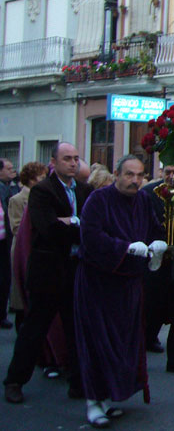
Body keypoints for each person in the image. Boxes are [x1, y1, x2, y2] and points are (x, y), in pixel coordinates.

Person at [74, 155, 166, 427]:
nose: (135, 180)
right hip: (99, 283)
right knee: (97, 342)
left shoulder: (143, 200)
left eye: (139, 175)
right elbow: (90, 237)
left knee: (123, 344)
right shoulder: (98, 200)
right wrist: (123, 247)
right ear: (117, 174)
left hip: (129, 284)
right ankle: (93, 402)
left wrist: (158, 242)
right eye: (129, 174)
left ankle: (108, 397)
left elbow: (154, 229)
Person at [4, 143, 92, 404]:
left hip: (75, 269)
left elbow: (91, 226)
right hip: (48, 271)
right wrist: (76, 224)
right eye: (67, 159)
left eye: (76, 158)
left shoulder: (85, 190)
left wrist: (70, 222)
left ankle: (78, 382)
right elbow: (48, 229)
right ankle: (15, 381)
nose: (73, 163)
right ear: (54, 162)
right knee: (35, 329)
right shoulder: (43, 191)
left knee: (76, 329)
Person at [141, 164, 174, 375]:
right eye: (168, 172)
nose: (172, 176)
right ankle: (144, 344)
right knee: (151, 307)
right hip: (156, 261)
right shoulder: (149, 194)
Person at [7, 162, 48, 331]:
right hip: (23, 247)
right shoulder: (17, 199)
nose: (44, 181)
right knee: (22, 293)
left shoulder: (45, 197)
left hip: (38, 247)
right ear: (31, 180)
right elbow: (16, 226)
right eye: (41, 177)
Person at [0, 157, 21, 329]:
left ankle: (2, 314)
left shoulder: (10, 188)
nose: (12, 171)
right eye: (8, 168)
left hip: (4, 241)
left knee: (5, 277)